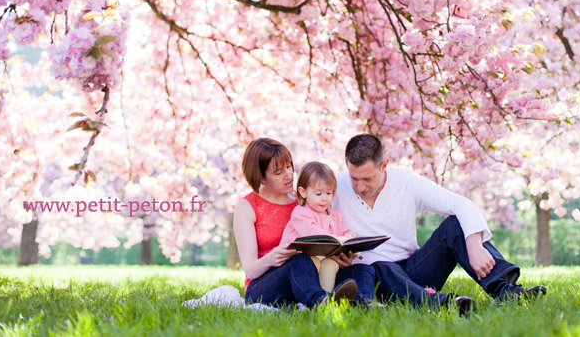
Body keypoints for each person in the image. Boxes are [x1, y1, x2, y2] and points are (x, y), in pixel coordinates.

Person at [333, 133, 546, 311]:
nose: (360, 187)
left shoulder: (405, 182)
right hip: (370, 279)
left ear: (384, 166)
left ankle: (504, 290)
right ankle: (442, 303)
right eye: (354, 179)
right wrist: (333, 255)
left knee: (455, 225)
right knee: (380, 266)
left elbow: (461, 205)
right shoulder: (334, 187)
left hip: (412, 271)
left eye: (368, 179)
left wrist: (474, 244)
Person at [233, 138, 372, 307]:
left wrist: (340, 254)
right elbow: (250, 269)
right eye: (278, 172)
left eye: (289, 166)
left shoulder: (309, 197)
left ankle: (365, 303)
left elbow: (330, 231)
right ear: (261, 177)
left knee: (362, 269)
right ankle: (321, 303)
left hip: (312, 277)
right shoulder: (247, 207)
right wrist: (272, 258)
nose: (289, 175)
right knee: (299, 261)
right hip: (265, 286)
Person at [280, 161, 355, 293]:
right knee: (312, 263)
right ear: (303, 192)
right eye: (319, 194)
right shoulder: (300, 212)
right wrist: (335, 238)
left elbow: (345, 231)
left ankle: (325, 296)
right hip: (299, 260)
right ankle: (308, 297)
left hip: (325, 257)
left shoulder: (336, 215)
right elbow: (313, 233)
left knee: (331, 265)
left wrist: (349, 238)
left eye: (329, 193)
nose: (324, 199)